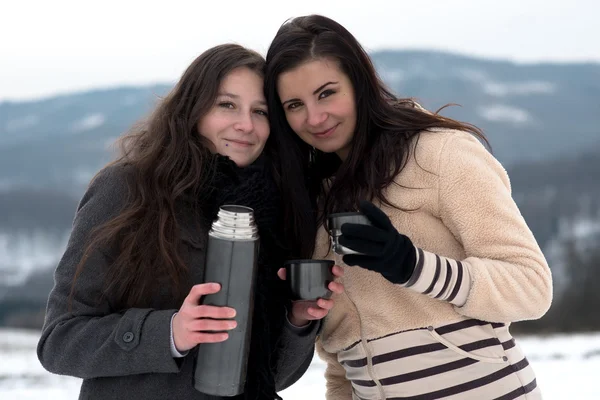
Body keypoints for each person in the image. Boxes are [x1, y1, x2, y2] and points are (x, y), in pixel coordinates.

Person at [264, 15, 552, 400]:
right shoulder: (312, 200)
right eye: (295, 104)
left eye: (327, 93)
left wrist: (412, 265)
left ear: (359, 82)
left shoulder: (438, 153)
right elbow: (342, 358)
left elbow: (531, 287)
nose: (315, 118)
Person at [37, 43, 344, 400]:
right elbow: (59, 342)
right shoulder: (127, 190)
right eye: (226, 105)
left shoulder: (274, 212)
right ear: (193, 109)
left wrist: (296, 319)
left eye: (260, 112)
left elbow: (275, 378)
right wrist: (170, 332)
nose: (245, 125)